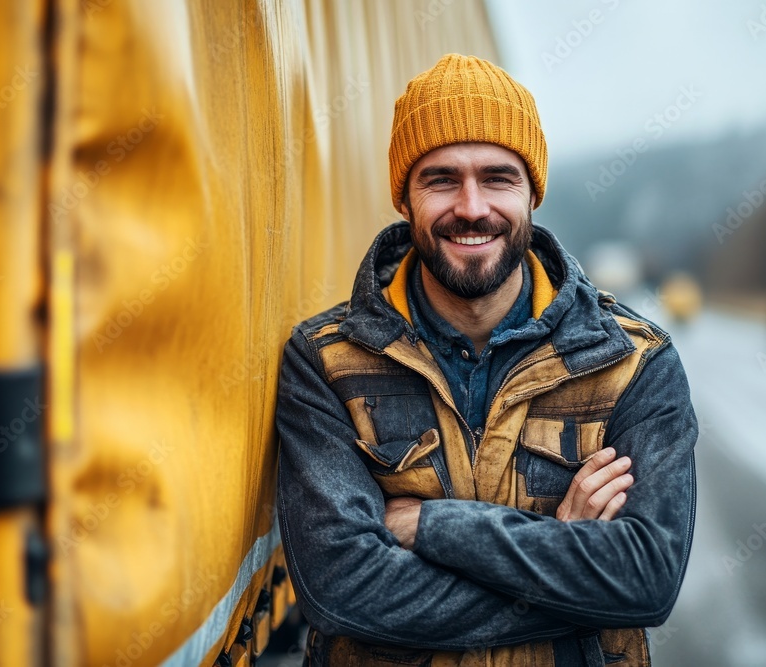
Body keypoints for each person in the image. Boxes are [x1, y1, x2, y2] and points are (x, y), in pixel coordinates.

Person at [275, 53, 697, 667]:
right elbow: (343, 591)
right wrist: (568, 559)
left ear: (532, 194)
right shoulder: (326, 361)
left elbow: (646, 580)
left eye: (498, 178)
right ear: (404, 198)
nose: (472, 207)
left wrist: (427, 528)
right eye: (441, 178)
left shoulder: (634, 362)